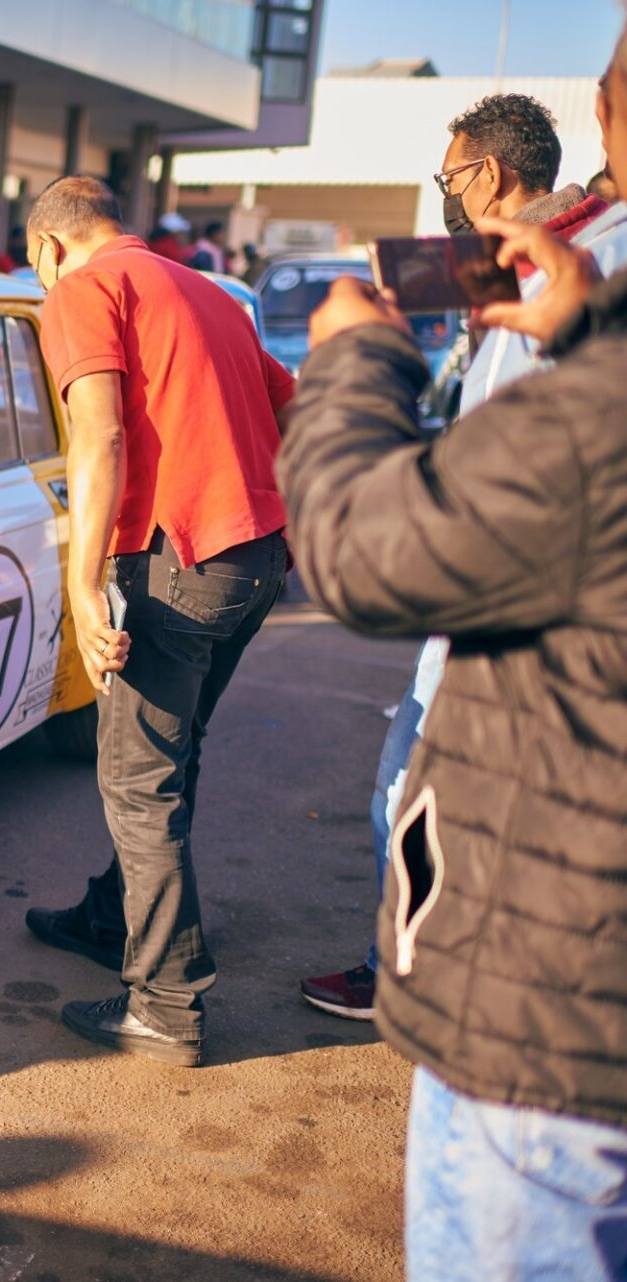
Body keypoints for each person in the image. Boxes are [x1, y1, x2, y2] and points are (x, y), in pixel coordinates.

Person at [279, 131, 627, 1274]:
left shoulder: (598, 409)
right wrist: (589, 327)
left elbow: (360, 552)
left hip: (556, 1035)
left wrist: (353, 362)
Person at [298, 91, 616, 1020]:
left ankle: (420, 970)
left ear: (489, 171)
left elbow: (364, 553)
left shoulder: (586, 258)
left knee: (411, 796)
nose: (445, 189)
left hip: (511, 616)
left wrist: (355, 370)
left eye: (450, 172)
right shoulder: (548, 259)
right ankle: (405, 958)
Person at [19, 176, 294, 1067]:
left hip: (176, 565)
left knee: (140, 783)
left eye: (35, 268)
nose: (41, 285)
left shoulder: (84, 289)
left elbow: (95, 436)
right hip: (252, 559)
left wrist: (82, 578)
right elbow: (291, 406)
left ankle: (168, 1007)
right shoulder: (208, 291)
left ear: (53, 246)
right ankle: (113, 918)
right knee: (169, 757)